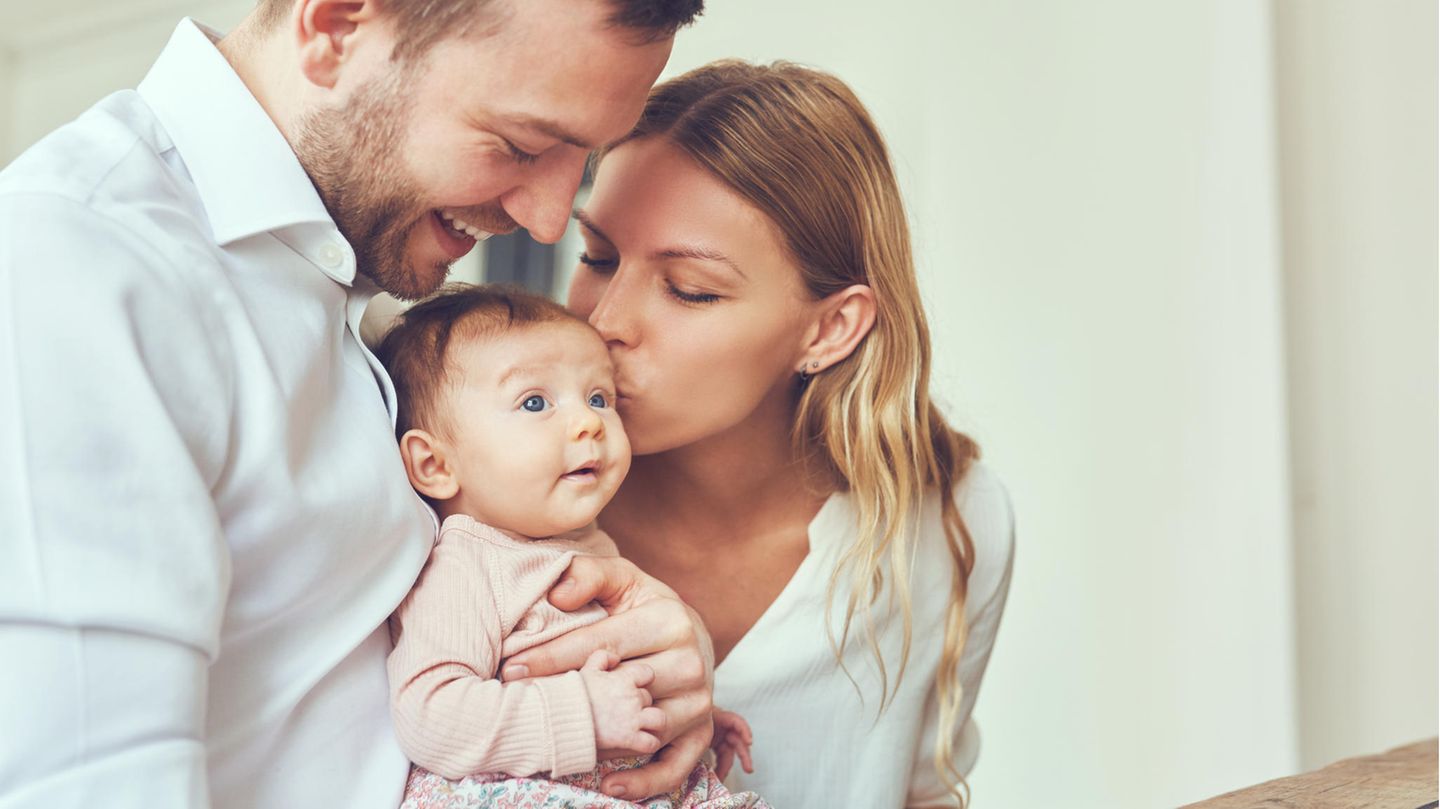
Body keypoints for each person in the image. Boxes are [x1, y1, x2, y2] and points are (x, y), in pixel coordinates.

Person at [0, 1, 715, 807]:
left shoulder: (350, 281)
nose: (548, 220)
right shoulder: (77, 264)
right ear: (337, 26)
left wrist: (649, 651)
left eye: (580, 159)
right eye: (521, 145)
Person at [501, 61, 1017, 808]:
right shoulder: (491, 492)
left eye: (690, 290)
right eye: (597, 257)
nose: (605, 320)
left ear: (831, 328)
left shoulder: (952, 521)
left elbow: (923, 791)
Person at [372, 284, 764, 808]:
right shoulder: (466, 564)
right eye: (535, 402)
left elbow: (614, 673)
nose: (588, 422)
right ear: (435, 465)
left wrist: (677, 718)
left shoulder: (587, 547)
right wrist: (583, 714)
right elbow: (430, 715)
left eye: (600, 398)